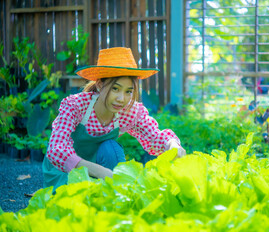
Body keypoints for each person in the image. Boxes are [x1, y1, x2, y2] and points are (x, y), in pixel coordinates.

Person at [43, 47, 186, 191]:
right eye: (115, 89)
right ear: (100, 85)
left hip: (104, 170)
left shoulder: (129, 112)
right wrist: (99, 171)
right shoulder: (76, 105)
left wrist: (172, 145)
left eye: (128, 91)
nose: (121, 99)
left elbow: (154, 137)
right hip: (65, 169)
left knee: (111, 147)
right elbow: (56, 149)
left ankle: (116, 193)